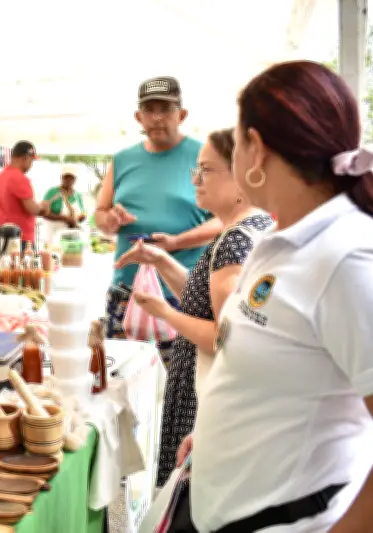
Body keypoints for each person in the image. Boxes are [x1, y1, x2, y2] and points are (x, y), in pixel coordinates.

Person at [170, 61, 373, 533]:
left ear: (256, 149)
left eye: (237, 141)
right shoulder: (281, 241)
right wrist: (217, 437)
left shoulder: (351, 259)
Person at [115, 129, 272, 488]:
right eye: (195, 170)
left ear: (241, 174)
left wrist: (165, 313)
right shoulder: (251, 227)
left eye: (206, 170)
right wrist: (160, 260)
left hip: (205, 396)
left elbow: (224, 336)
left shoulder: (235, 241)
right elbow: (203, 301)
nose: (196, 180)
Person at [95, 77, 223, 338]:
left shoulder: (200, 158)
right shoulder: (122, 160)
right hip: (127, 291)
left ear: (181, 115)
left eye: (165, 109)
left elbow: (223, 219)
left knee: (180, 366)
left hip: (181, 292)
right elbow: (100, 215)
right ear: (138, 117)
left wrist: (176, 242)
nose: (156, 117)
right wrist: (110, 220)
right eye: (149, 110)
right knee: (122, 363)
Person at [0, 141, 41, 250]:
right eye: (31, 160)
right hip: (21, 239)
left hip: (3, 236)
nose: (31, 165)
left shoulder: (0, 177)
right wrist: (42, 207)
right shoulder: (20, 178)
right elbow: (32, 209)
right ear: (25, 158)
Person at [41, 163, 87, 247]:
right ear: (61, 178)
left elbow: (83, 213)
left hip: (70, 237)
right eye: (66, 177)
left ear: (75, 179)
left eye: (71, 177)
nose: (68, 180)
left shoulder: (77, 195)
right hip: (53, 235)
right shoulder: (52, 192)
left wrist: (79, 218)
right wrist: (64, 218)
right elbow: (43, 213)